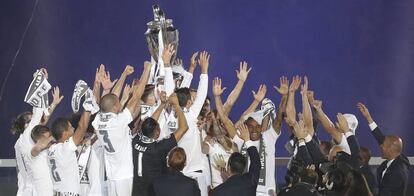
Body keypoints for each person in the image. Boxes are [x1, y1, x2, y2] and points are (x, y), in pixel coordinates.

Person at [92, 62, 150, 196]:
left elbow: (111, 98)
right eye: (118, 103)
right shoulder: (118, 122)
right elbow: (136, 97)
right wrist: (146, 70)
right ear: (114, 107)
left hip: (112, 176)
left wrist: (124, 74)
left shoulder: (98, 120)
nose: (120, 104)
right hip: (125, 176)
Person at [131, 93, 189, 196]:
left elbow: (149, 123)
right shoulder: (158, 148)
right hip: (153, 192)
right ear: (157, 133)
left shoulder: (136, 140)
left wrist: (162, 104)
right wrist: (176, 106)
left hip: (136, 191)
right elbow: (183, 128)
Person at [48, 89, 96, 195]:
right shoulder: (64, 149)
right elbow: (82, 127)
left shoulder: (51, 149)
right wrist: (88, 103)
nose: (73, 129)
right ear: (64, 134)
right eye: (70, 128)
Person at [357, 103, 409, 196]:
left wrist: (365, 187)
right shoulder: (397, 158)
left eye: (383, 146)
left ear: (390, 149)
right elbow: (381, 138)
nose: (380, 146)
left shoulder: (397, 172)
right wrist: (368, 117)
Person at [211, 123, 260, 196]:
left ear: (229, 167)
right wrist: (247, 139)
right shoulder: (250, 182)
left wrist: (226, 182)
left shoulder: (217, 192)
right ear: (243, 168)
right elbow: (256, 161)